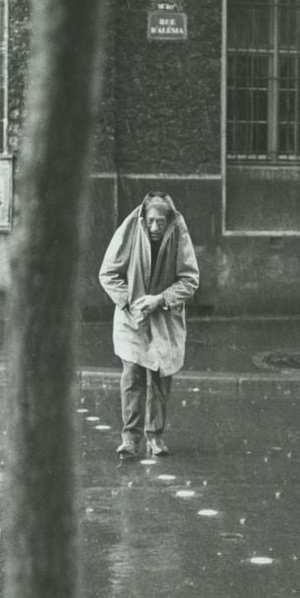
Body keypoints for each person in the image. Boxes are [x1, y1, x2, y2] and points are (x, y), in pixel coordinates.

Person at [99, 192, 200, 458]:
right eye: (151, 221)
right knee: (132, 374)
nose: (155, 228)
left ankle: (154, 436)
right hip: (132, 317)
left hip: (164, 317)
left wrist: (161, 299)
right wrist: (129, 301)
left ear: (169, 221)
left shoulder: (179, 233)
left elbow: (190, 279)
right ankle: (130, 439)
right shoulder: (130, 230)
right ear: (144, 219)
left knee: (159, 376)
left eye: (160, 222)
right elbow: (108, 273)